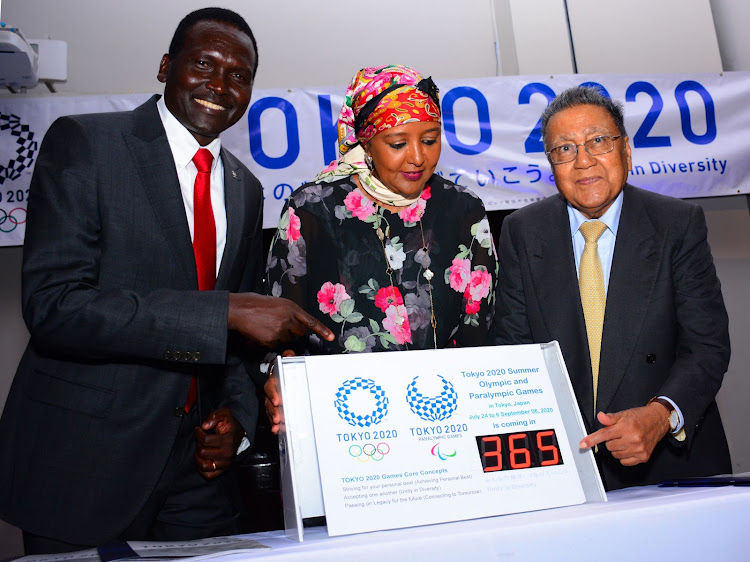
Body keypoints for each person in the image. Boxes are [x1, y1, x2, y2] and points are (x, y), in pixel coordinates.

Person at [0, 7, 332, 554]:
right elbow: (55, 306)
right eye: (204, 63)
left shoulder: (245, 190)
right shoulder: (87, 143)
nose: (220, 85)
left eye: (239, 75)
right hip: (87, 463)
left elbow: (237, 346)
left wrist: (236, 422)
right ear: (164, 66)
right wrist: (223, 312)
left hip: (199, 478)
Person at [489, 86, 731, 490]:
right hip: (566, 466)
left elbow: (707, 346)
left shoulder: (677, 223)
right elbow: (513, 350)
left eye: (598, 141)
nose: (583, 161)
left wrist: (659, 416)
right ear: (551, 164)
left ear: (626, 150)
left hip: (669, 463)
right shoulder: (522, 231)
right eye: (564, 149)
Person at [264, 65, 497, 431]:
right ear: (366, 142)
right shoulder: (312, 210)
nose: (418, 157)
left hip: (446, 415)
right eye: (398, 143)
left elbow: (479, 329)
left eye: (431, 139)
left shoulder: (463, 210)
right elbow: (280, 327)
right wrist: (281, 381)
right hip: (342, 418)